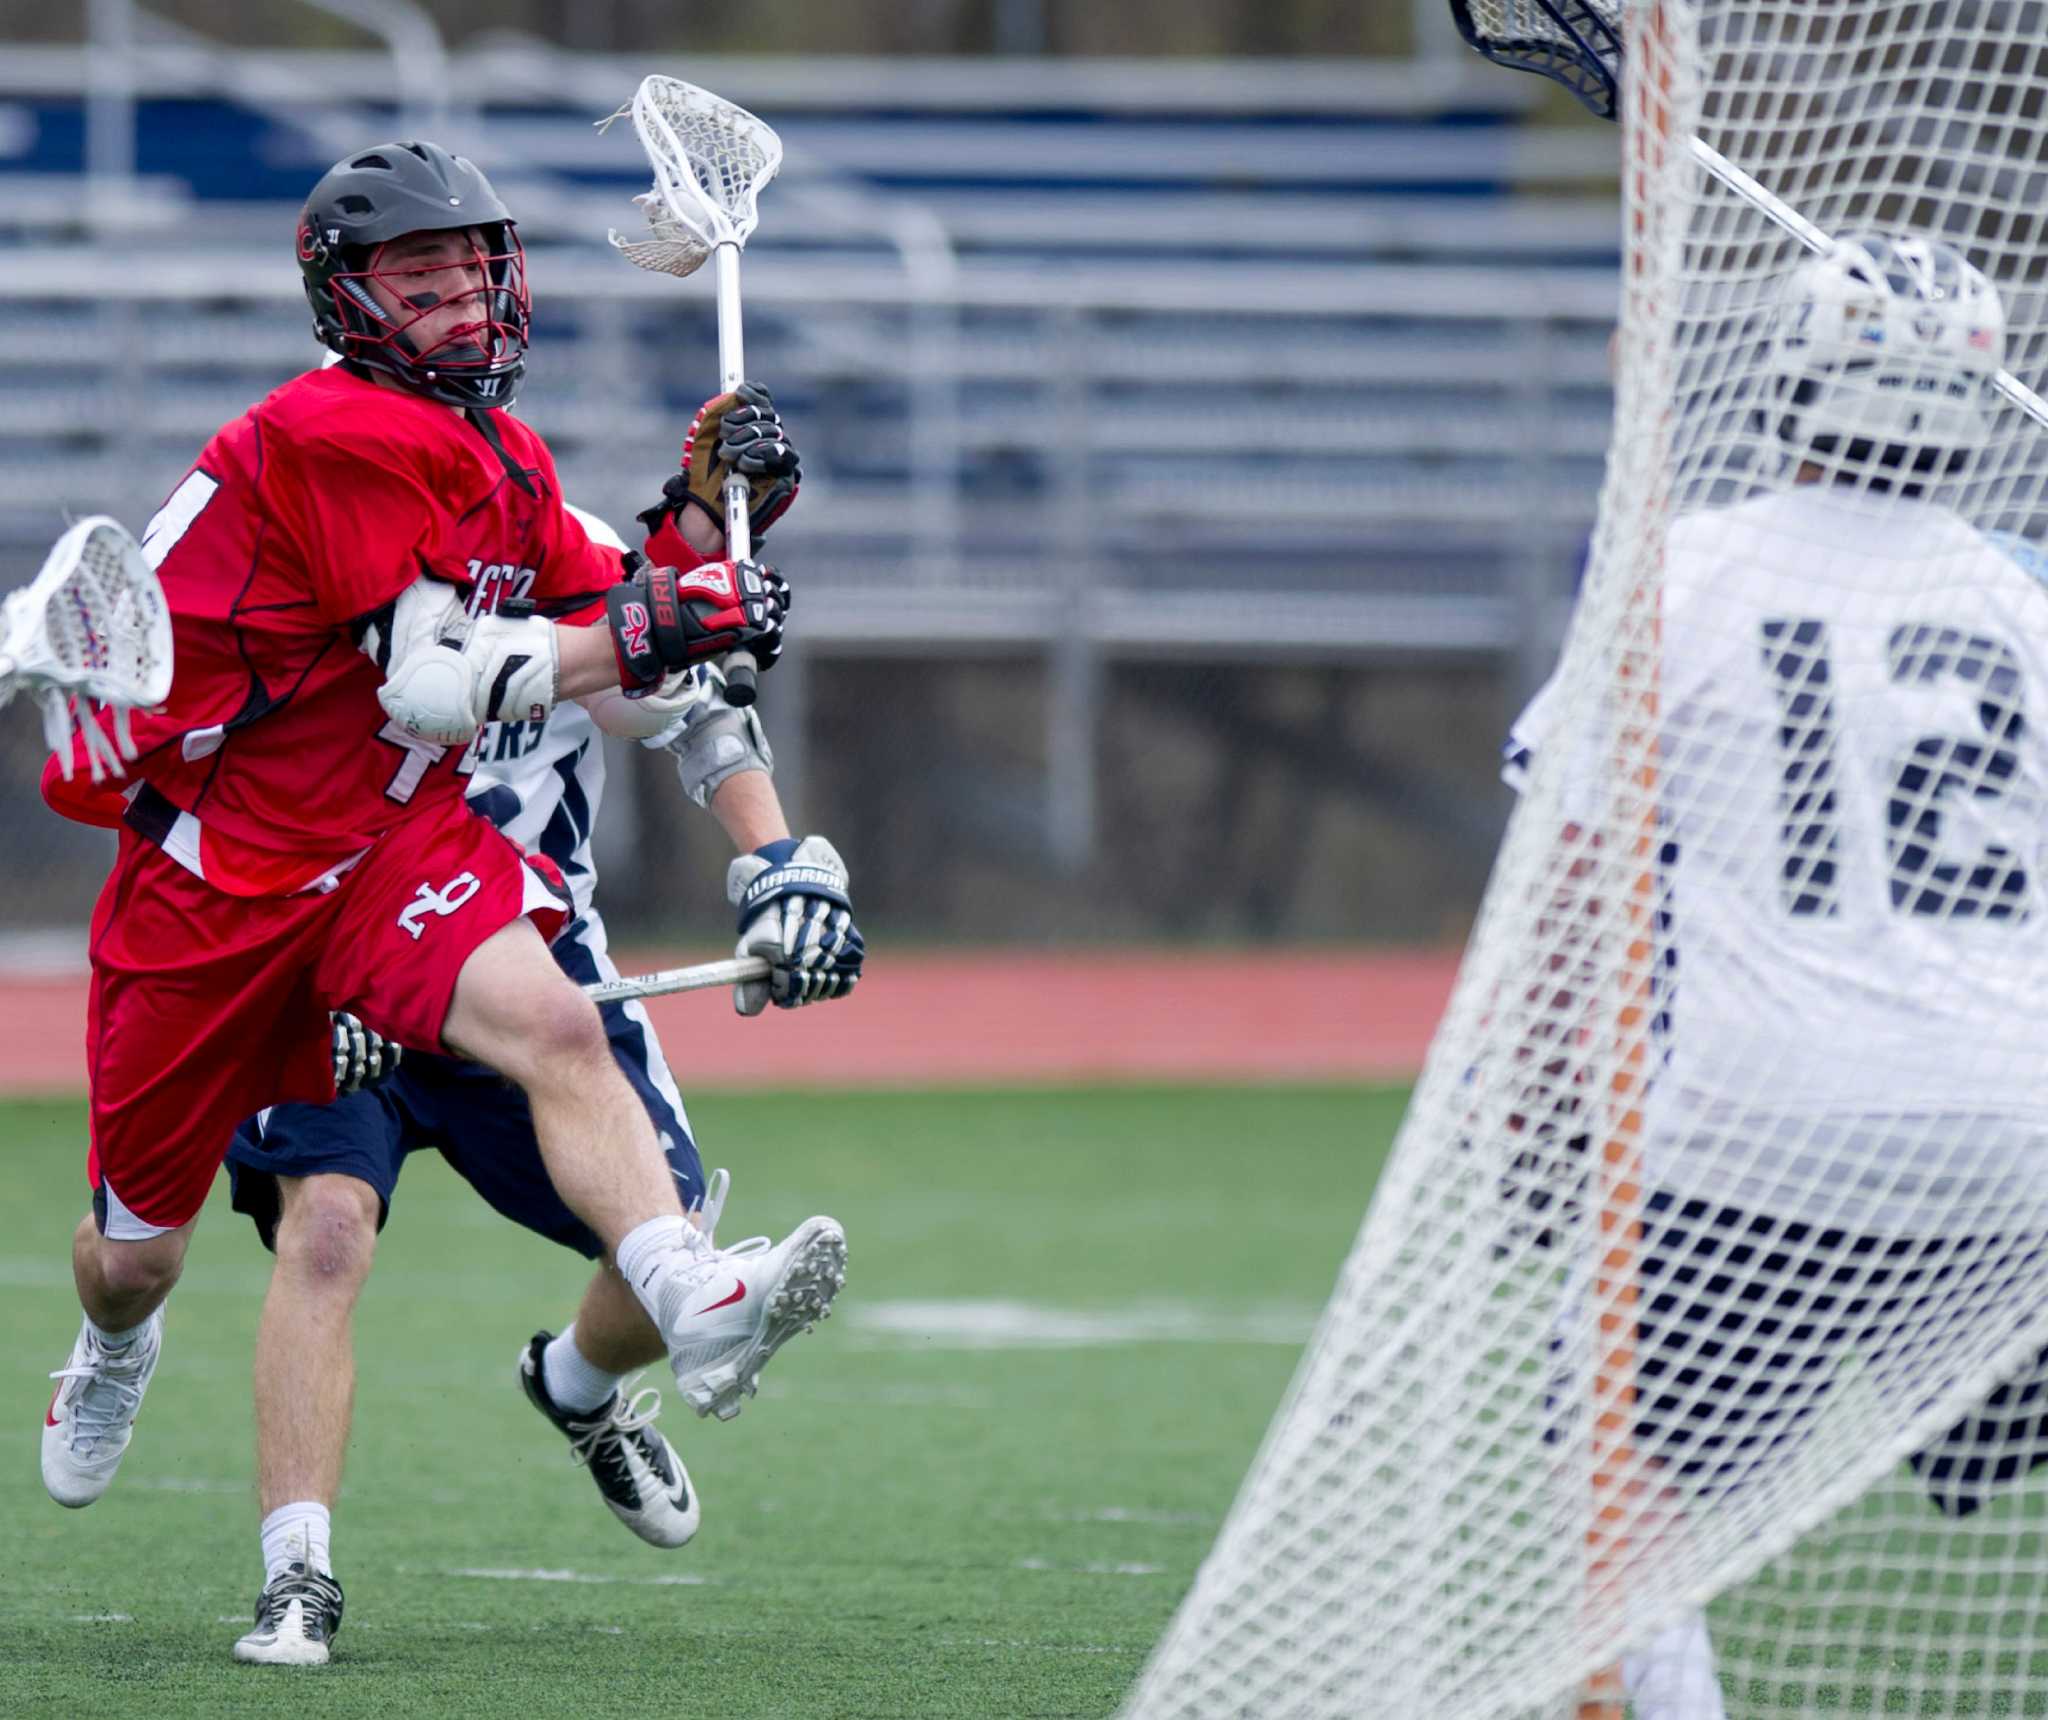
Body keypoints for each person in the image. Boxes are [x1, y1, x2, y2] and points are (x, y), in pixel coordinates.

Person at [35, 140, 849, 1607]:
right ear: (350, 301)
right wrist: (671, 624)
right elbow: (440, 684)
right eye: (425, 279)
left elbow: (607, 600)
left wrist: (700, 528)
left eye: (479, 268)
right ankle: (106, 1341)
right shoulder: (329, 433)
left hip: (381, 848)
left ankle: (685, 1293)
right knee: (136, 1259)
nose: (468, 301)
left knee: (554, 1028)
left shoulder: (502, 455)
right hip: (220, 881)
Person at [1498, 233, 2048, 1719]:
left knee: (1614, 1525)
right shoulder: (2028, 606)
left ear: (1795, 378)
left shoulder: (1693, 570)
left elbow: (1575, 881)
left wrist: (1541, 1113)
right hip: (2016, 1155)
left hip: (1759, 1136)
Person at [218, 418, 861, 1664]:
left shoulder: (567, 579)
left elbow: (687, 700)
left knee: (661, 1236)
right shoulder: (335, 601)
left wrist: (777, 862)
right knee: (327, 1228)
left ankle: (572, 1385)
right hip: (346, 961)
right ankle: (295, 1570)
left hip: (536, 970)